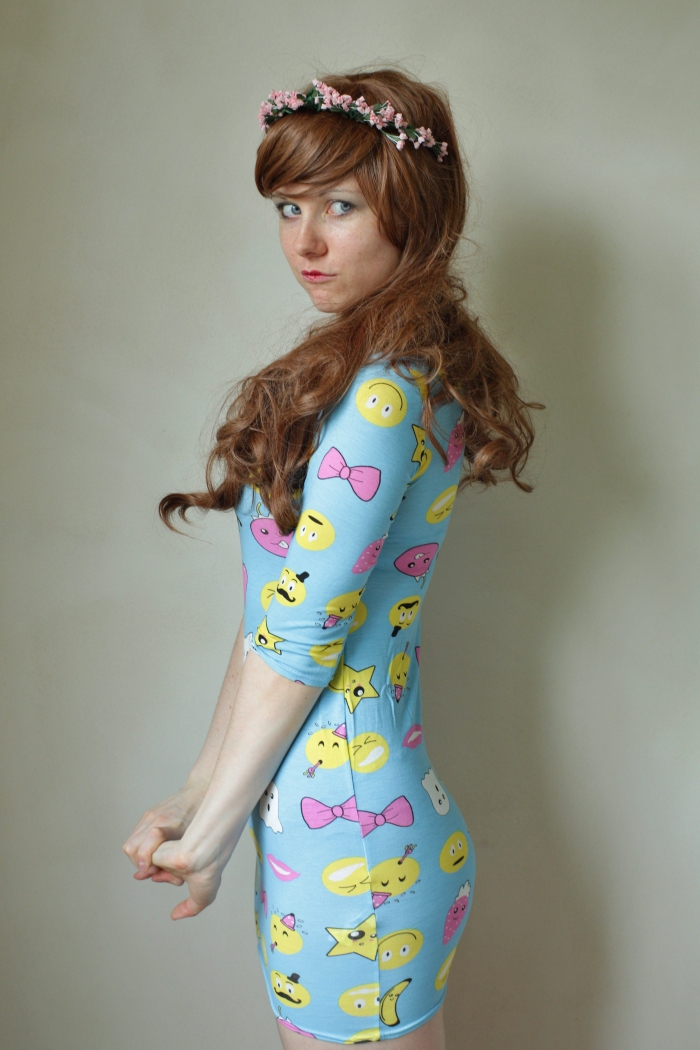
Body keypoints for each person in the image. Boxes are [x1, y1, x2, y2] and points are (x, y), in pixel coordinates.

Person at [123, 69, 537, 1048]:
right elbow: (274, 612)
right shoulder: (377, 377)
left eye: (339, 207)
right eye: (288, 207)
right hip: (334, 832)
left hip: (352, 843)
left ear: (413, 208)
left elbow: (305, 631)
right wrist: (200, 792)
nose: (304, 241)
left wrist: (215, 830)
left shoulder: (387, 394)